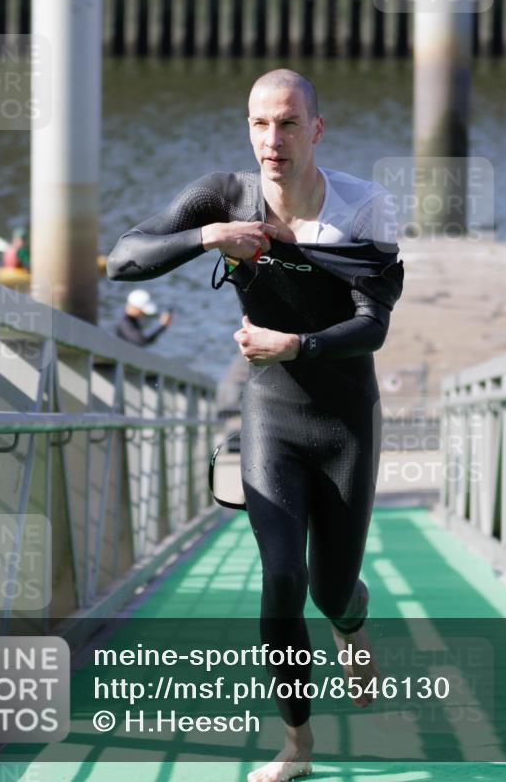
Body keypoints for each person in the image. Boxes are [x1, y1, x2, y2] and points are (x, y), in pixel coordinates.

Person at [106, 69, 403, 782]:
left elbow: (373, 325)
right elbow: (122, 260)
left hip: (344, 423)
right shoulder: (222, 197)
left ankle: (350, 626)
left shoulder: (364, 207)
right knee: (280, 576)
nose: (273, 140)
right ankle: (296, 746)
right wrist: (212, 236)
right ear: (248, 128)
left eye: (289, 123)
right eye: (260, 124)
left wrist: (295, 344)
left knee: (331, 589)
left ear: (316, 129)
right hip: (270, 415)